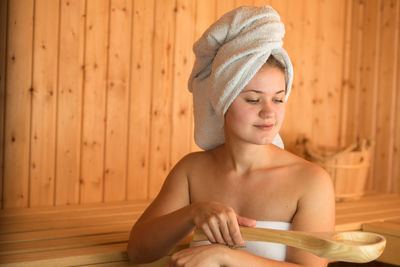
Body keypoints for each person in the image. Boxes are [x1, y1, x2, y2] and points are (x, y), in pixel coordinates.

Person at [127, 5, 335, 267]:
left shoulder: (311, 181)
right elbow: (138, 252)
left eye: (278, 99)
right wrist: (193, 213)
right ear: (223, 102)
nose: (269, 112)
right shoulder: (192, 170)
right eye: (253, 99)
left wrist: (225, 255)